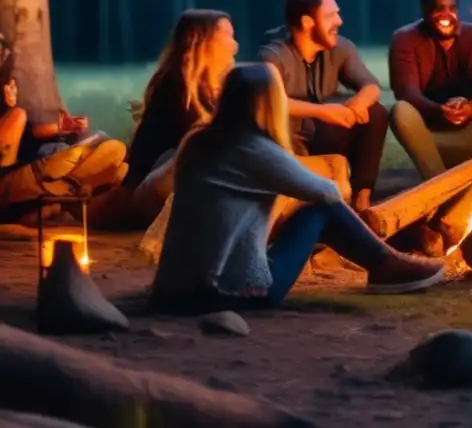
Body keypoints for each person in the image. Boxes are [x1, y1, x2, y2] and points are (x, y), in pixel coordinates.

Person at [151, 63, 446, 312]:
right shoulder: (252, 147)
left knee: (311, 211)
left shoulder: (200, 142)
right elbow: (328, 193)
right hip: (229, 292)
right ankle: (386, 264)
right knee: (320, 209)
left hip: (175, 288)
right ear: (270, 104)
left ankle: (385, 264)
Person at [259, 0, 387, 212]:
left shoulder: (340, 48)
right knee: (329, 123)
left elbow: (372, 86)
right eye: (331, 16)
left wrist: (357, 104)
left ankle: (363, 200)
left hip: (324, 135)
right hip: (292, 145)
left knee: (374, 112)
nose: (339, 21)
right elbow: (269, 100)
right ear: (307, 21)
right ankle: (329, 205)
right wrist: (323, 111)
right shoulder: (273, 56)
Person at [117, 10, 239, 226]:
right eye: (227, 36)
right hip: (153, 188)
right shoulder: (178, 85)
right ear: (201, 40)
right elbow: (200, 142)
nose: (234, 45)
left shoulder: (213, 88)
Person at [0, 42, 126, 223]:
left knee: (118, 163)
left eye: (14, 85)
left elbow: (33, 136)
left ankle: (65, 198)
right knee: (109, 152)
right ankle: (70, 195)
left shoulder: (17, 114)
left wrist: (66, 130)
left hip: (42, 171)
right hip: (18, 181)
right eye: (9, 85)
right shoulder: (13, 116)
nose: (13, 90)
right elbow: (23, 140)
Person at [388, 0, 472, 180]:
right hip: (429, 131)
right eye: (439, 9)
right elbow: (407, 91)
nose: (447, 15)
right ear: (424, 11)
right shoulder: (405, 39)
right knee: (400, 110)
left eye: (452, 8)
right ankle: (439, 183)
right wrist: (440, 110)